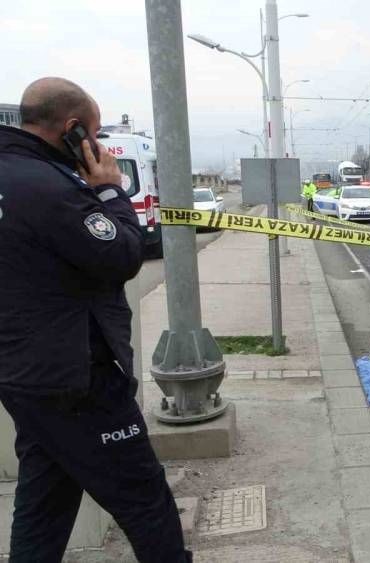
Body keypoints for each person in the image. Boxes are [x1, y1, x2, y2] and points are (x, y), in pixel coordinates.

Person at [0, 77, 190, 562]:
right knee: (146, 500)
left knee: (45, 501)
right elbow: (122, 254)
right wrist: (109, 192)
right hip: (77, 379)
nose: (98, 146)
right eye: (95, 135)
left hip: (24, 375)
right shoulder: (48, 187)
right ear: (73, 130)